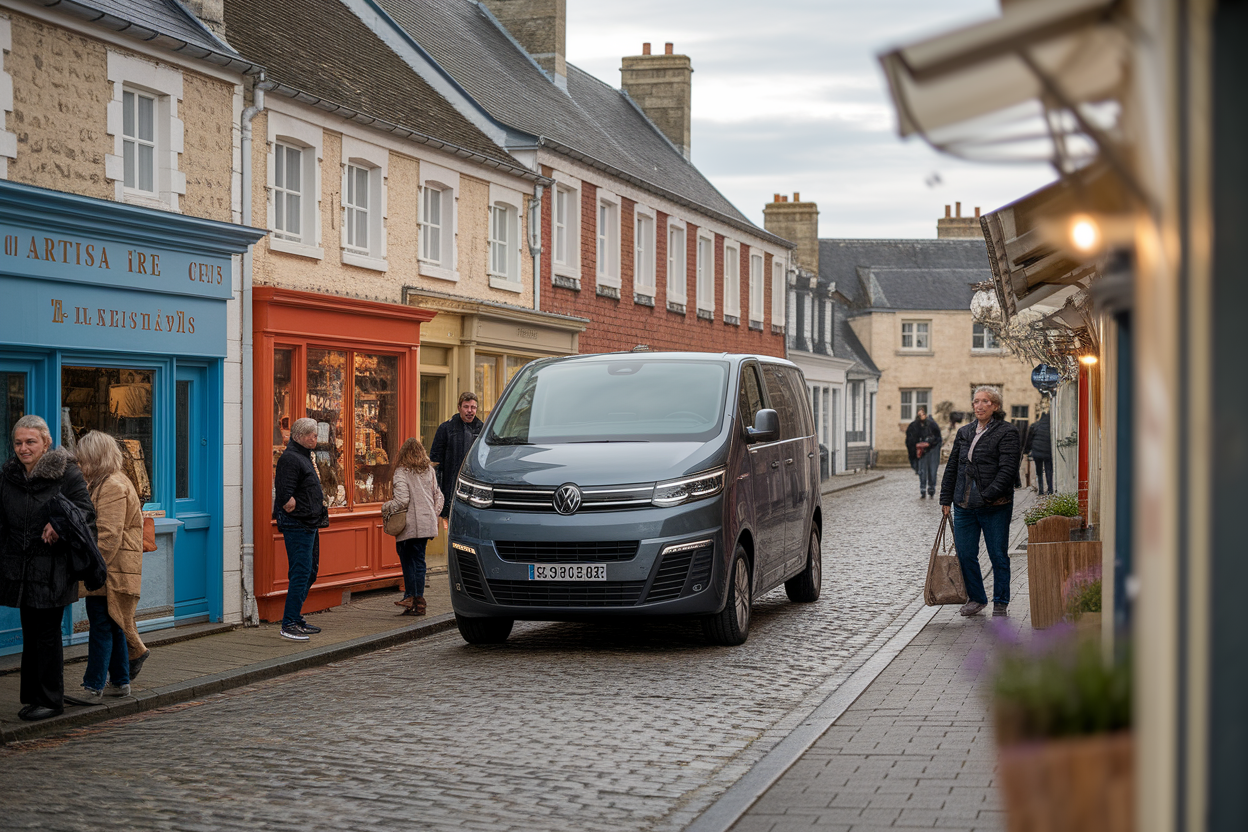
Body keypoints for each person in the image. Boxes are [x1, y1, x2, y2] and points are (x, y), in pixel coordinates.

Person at [0, 415, 97, 721]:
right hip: (21, 568)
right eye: (18, 442)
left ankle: (51, 700)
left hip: (53, 567)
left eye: (30, 442)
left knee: (46, 633)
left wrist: (57, 524)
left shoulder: (66, 473)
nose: (23, 448)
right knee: (32, 632)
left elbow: (85, 511)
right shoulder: (10, 474)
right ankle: (32, 696)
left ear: (46, 442)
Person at [75, 431, 144, 701]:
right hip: (113, 570)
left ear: (95, 457)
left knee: (102, 626)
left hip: (109, 572)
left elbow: (107, 536)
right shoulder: (108, 482)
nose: (80, 464)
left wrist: (90, 568)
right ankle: (121, 681)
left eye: (83, 459)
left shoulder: (112, 485)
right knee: (114, 625)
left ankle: (93, 685)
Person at [939, 386, 1020, 617]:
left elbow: (1007, 469)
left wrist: (988, 495)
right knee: (965, 554)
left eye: (985, 401)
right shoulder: (964, 432)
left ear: (995, 406)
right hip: (963, 505)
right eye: (976, 401)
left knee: (997, 555)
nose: (980, 405)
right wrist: (946, 498)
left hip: (995, 506)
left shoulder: (1007, 432)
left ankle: (1001, 601)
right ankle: (976, 599)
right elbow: (953, 466)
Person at [272, 417, 328, 641]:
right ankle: (289, 622)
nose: (315, 438)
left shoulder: (304, 456)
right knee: (301, 571)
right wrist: (293, 506)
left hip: (310, 522)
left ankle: (295, 617)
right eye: (311, 435)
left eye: (315, 434)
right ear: (299, 437)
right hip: (298, 524)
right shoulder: (291, 458)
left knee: (310, 571)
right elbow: (284, 492)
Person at [383, 438, 444, 616]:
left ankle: (413, 598)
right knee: (419, 561)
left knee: (408, 560)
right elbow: (439, 495)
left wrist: (386, 507)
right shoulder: (428, 470)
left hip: (408, 525)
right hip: (426, 524)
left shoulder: (402, 471)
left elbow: (402, 501)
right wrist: (433, 513)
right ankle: (417, 602)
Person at [429, 392, 484, 532]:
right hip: (450, 487)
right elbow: (435, 461)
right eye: (466, 407)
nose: (470, 411)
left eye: (473, 407)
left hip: (475, 487)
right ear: (459, 407)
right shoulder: (446, 429)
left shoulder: (482, 430)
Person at [904, 408, 942, 499]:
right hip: (921, 452)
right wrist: (917, 447)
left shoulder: (932, 425)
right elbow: (910, 440)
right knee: (922, 471)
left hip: (932, 450)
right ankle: (923, 489)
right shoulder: (914, 426)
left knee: (932, 471)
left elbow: (938, 438)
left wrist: (930, 443)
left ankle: (931, 488)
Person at [1026, 411, 1054, 495]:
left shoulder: (1035, 425)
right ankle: (1050, 489)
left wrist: (1027, 451)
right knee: (1049, 470)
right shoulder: (1051, 427)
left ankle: (1041, 490)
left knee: (1039, 471)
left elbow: (1029, 440)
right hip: (1048, 452)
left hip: (1037, 452)